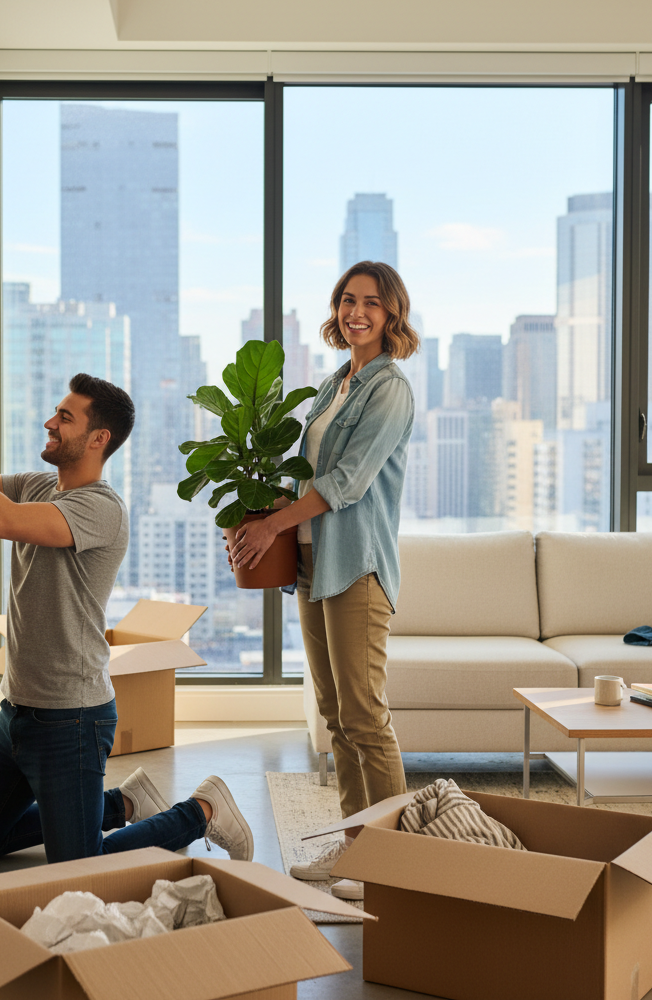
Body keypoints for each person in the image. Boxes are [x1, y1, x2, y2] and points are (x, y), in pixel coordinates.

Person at [0, 373, 253, 865]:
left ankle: (201, 811)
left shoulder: (101, 508)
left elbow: (1, 520)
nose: (49, 422)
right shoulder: (39, 485)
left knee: (78, 865)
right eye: (55, 412)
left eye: (64, 418)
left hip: (71, 717)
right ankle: (124, 803)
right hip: (17, 711)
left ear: (98, 439)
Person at [229, 261, 418, 900]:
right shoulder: (336, 383)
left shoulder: (389, 388)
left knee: (365, 716)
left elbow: (347, 482)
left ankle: (389, 860)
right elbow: (305, 477)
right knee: (336, 716)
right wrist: (256, 521)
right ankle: (355, 847)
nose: (356, 312)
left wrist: (272, 525)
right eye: (347, 300)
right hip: (312, 564)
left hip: (356, 566)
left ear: (391, 315)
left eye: (371, 303)